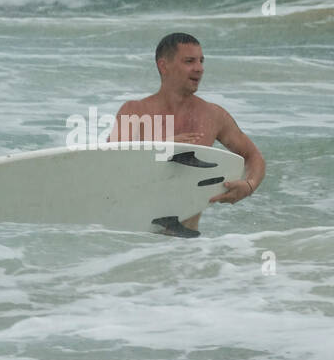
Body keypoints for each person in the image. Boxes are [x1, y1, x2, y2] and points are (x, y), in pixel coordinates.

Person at [109, 32, 265, 232]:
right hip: (135, 240)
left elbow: (253, 156)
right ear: (163, 66)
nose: (199, 68)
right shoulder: (135, 112)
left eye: (201, 61)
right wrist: (162, 147)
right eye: (189, 61)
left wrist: (249, 186)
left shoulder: (213, 115)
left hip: (186, 247)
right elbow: (112, 164)